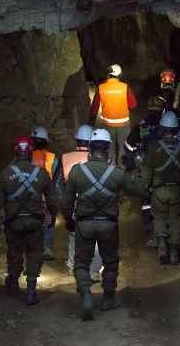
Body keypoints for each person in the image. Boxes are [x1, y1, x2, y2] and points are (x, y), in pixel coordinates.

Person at [62, 128, 146, 321]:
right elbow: (138, 190)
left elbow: (66, 202)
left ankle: (85, 294)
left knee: (81, 262)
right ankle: (108, 299)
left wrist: (68, 219)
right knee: (110, 262)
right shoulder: (116, 173)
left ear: (90, 149)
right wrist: (136, 172)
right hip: (108, 225)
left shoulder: (77, 172)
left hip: (84, 224)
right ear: (108, 150)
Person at [0, 135, 58, 305]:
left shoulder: (5, 175)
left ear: (16, 152)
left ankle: (13, 284)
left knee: (15, 254)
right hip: (35, 221)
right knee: (34, 254)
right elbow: (52, 200)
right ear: (31, 151)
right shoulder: (41, 174)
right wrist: (53, 216)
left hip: (14, 222)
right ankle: (31, 291)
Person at [141, 111, 180, 265]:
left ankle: (162, 247)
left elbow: (146, 171)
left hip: (158, 190)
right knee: (176, 220)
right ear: (176, 129)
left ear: (161, 128)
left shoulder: (153, 147)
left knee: (159, 217)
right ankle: (173, 253)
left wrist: (144, 188)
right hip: (177, 190)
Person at [53, 124, 103, 282]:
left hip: (75, 203)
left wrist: (65, 209)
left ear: (77, 140)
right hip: (95, 203)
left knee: (75, 236)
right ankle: (94, 270)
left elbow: (57, 185)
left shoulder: (66, 158)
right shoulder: (102, 157)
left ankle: (73, 266)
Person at [122, 95, 166, 248]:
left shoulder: (141, 129)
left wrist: (131, 163)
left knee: (147, 202)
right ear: (162, 111)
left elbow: (128, 146)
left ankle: (152, 232)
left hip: (145, 172)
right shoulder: (167, 127)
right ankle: (167, 233)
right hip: (165, 171)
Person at [87, 64, 138, 164]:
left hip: (108, 124)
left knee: (109, 146)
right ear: (119, 75)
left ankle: (111, 167)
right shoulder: (125, 87)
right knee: (124, 145)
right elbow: (133, 105)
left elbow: (94, 108)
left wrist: (90, 123)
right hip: (123, 124)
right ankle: (122, 168)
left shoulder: (101, 88)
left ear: (108, 74)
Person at [30, 125, 60, 260]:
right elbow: (57, 178)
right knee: (50, 220)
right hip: (45, 198)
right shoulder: (52, 158)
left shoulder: (24, 156)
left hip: (28, 197)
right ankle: (46, 246)